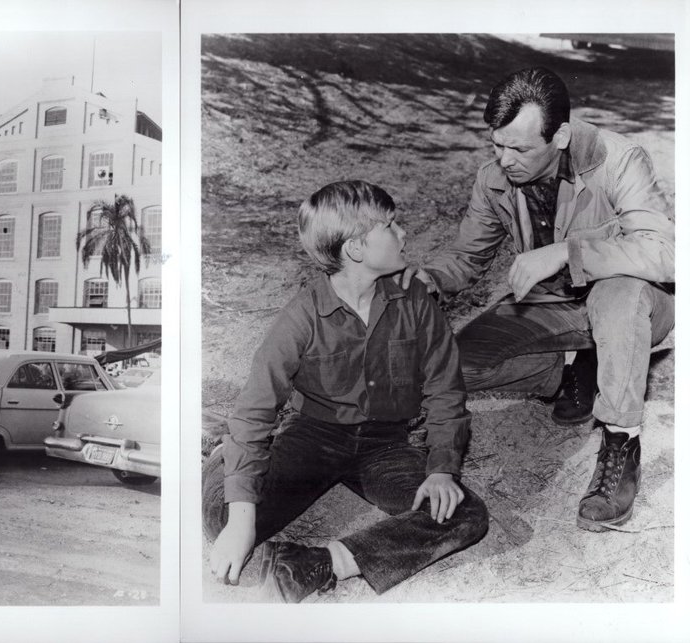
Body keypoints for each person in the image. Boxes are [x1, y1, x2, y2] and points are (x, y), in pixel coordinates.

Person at [402, 67, 675, 531]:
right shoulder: (494, 178)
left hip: (633, 305)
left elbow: (667, 254)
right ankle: (574, 371)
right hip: (553, 305)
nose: (505, 160)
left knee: (619, 294)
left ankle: (620, 442)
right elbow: (467, 257)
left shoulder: (619, 159)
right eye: (497, 145)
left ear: (561, 136)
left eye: (520, 149)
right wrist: (429, 277)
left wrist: (567, 252)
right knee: (458, 366)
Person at [203, 180, 488, 603]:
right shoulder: (301, 316)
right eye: (390, 226)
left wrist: (442, 468)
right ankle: (220, 454)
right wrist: (242, 520)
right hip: (312, 438)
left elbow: (446, 391)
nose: (403, 233)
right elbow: (255, 411)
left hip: (386, 447)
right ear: (356, 248)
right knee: (222, 516)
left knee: (465, 514)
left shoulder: (416, 300)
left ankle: (323, 563)